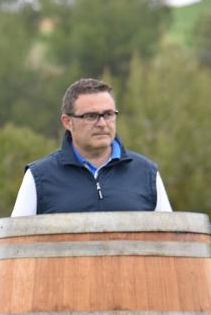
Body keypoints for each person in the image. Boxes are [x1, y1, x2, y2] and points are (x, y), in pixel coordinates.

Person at [11, 78, 172, 216]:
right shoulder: (39, 177)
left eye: (108, 114)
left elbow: (170, 240)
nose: (102, 123)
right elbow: (15, 244)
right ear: (67, 122)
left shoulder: (146, 173)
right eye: (91, 116)